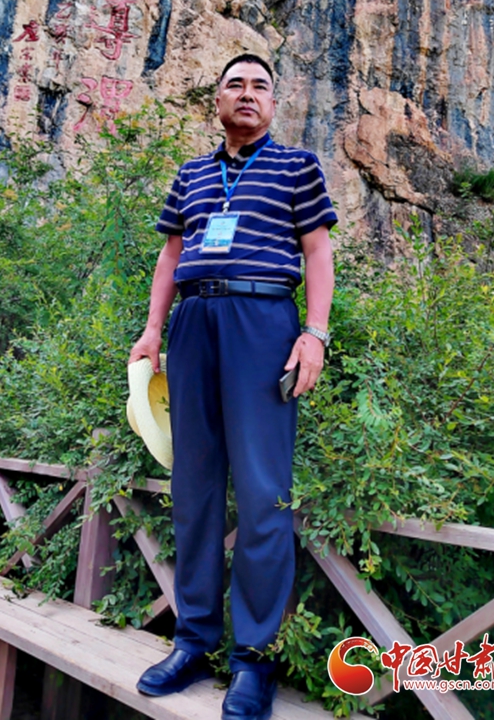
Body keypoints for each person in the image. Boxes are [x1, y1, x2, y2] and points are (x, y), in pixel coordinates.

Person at [129, 53, 337, 720]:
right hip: (193, 324)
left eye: (260, 86)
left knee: (261, 491)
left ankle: (254, 658)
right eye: (235, 84)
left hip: (263, 323)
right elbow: (170, 254)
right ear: (216, 100)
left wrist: (315, 333)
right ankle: (193, 640)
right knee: (192, 489)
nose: (248, 93)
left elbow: (318, 251)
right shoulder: (191, 174)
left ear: (273, 103)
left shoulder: (298, 167)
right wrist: (153, 330)